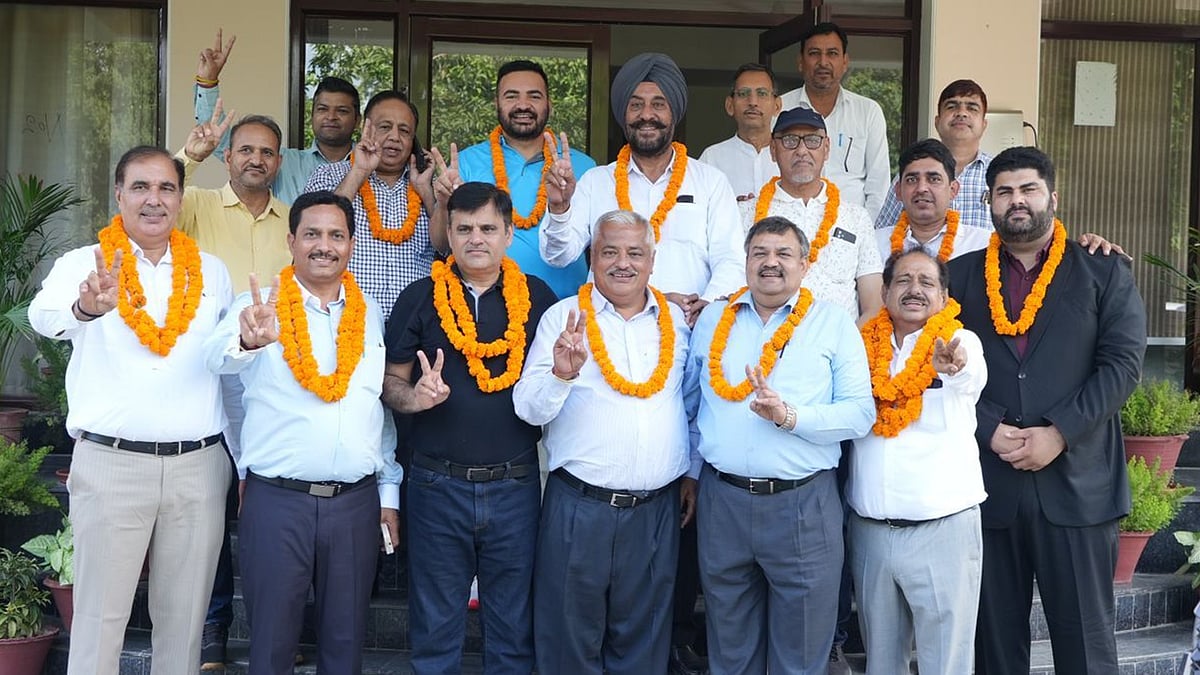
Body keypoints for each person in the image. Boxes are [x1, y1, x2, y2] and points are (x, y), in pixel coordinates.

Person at [29, 146, 235, 675]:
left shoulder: (212, 273)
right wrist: (86, 307)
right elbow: (43, 316)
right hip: (112, 465)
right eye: (140, 187)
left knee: (184, 627)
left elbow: (227, 364)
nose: (154, 199)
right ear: (118, 194)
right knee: (98, 623)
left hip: (198, 467)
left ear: (181, 199)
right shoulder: (85, 263)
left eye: (166, 188)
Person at [947, 146, 1147, 674]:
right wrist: (987, 428)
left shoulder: (1102, 270)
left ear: (1052, 197)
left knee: (1086, 651)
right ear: (988, 202)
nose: (1017, 201)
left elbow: (1122, 366)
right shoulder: (958, 278)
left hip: (1078, 488)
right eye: (1004, 192)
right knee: (992, 649)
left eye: (1028, 189)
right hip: (988, 487)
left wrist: (1059, 432)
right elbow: (935, 366)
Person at [203, 190, 402, 674]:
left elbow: (374, 407)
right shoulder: (259, 308)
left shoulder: (370, 313)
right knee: (271, 644)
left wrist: (389, 492)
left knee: (345, 643)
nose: (324, 246)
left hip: (355, 503)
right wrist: (248, 338)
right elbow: (215, 360)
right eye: (312, 234)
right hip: (279, 501)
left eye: (336, 235)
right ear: (291, 241)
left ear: (351, 243)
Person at [684, 216, 875, 674]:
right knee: (730, 650)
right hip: (723, 502)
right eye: (760, 253)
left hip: (802, 506)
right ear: (746, 262)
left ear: (805, 265)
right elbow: (691, 405)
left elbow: (860, 414)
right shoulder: (713, 320)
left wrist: (791, 417)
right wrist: (690, 474)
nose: (771, 263)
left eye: (784, 254)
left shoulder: (832, 323)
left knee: (801, 654)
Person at [382, 182, 557, 674]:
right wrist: (415, 398)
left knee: (512, 629)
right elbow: (390, 383)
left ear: (508, 234)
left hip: (515, 484)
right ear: (449, 235)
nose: (475, 238)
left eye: (487, 228)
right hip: (436, 485)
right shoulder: (420, 297)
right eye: (463, 229)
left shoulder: (538, 298)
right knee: (435, 629)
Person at [513, 209, 694, 675]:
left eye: (635, 253)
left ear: (652, 261)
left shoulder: (675, 322)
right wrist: (560, 374)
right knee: (569, 640)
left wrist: (691, 473)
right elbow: (528, 409)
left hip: (656, 511)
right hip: (580, 508)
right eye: (609, 251)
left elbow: (692, 405)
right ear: (592, 258)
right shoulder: (563, 318)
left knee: (644, 643)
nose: (623, 263)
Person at [173, 106, 294, 669]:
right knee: (216, 506)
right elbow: (147, 203)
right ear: (228, 157)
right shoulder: (195, 205)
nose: (256, 159)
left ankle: (281, 629)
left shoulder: (292, 220)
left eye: (267, 152)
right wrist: (189, 155)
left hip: (277, 381)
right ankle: (214, 627)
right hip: (210, 374)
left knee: (274, 507)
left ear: (279, 162)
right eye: (246, 149)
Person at [848, 248, 987, 674]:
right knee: (880, 663)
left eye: (927, 282)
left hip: (942, 530)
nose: (915, 290)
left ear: (944, 297)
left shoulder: (960, 341)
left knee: (946, 664)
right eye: (904, 280)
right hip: (871, 532)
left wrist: (953, 368)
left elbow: (970, 375)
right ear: (885, 291)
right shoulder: (858, 345)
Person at [539, 51, 744, 327]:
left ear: (674, 113)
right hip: (610, 330)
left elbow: (731, 258)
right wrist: (559, 207)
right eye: (636, 105)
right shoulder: (596, 181)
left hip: (690, 328)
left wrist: (706, 308)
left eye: (658, 104)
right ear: (623, 114)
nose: (647, 115)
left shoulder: (710, 182)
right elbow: (558, 256)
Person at [433, 59, 598, 299]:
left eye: (534, 96)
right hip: (485, 308)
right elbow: (441, 244)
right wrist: (443, 203)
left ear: (549, 104)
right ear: (497, 104)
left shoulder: (584, 167)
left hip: (566, 307)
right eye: (511, 96)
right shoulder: (466, 163)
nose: (523, 105)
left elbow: (603, 247)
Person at [744, 106, 883, 323]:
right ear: (773, 149)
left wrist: (847, 342)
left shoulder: (856, 218)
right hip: (766, 339)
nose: (802, 150)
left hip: (839, 340)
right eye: (790, 140)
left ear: (826, 148)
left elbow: (873, 305)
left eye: (812, 140)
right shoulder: (745, 213)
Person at [305, 90, 436, 318]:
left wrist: (427, 191)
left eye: (404, 130)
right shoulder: (328, 175)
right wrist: (359, 171)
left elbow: (448, 247)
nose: (394, 137)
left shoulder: (426, 184)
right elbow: (315, 231)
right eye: (385, 127)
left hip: (414, 325)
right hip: (345, 319)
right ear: (365, 128)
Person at [193, 28, 361, 205]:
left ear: (358, 120)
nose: (331, 116)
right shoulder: (283, 162)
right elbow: (217, 137)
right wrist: (207, 82)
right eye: (322, 109)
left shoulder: (373, 165)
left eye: (342, 111)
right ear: (312, 116)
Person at [779, 22, 890, 220]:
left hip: (851, 227)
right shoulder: (779, 108)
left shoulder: (868, 112)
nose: (823, 62)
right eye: (814, 53)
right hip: (790, 224)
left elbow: (878, 186)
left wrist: (866, 230)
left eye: (832, 53)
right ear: (801, 62)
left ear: (845, 62)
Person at [876, 79, 993, 231]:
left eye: (972, 108)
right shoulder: (910, 175)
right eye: (952, 106)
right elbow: (882, 233)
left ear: (984, 124)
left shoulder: (998, 175)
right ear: (937, 122)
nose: (962, 113)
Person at [875, 138, 992, 264]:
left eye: (934, 179)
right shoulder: (874, 243)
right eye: (912, 180)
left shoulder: (982, 244)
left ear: (953, 190)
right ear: (898, 191)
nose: (921, 188)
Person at [699, 63, 783, 202]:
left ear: (777, 106)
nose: (753, 102)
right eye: (743, 93)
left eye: (762, 93)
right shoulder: (711, 158)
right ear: (730, 105)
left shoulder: (792, 156)